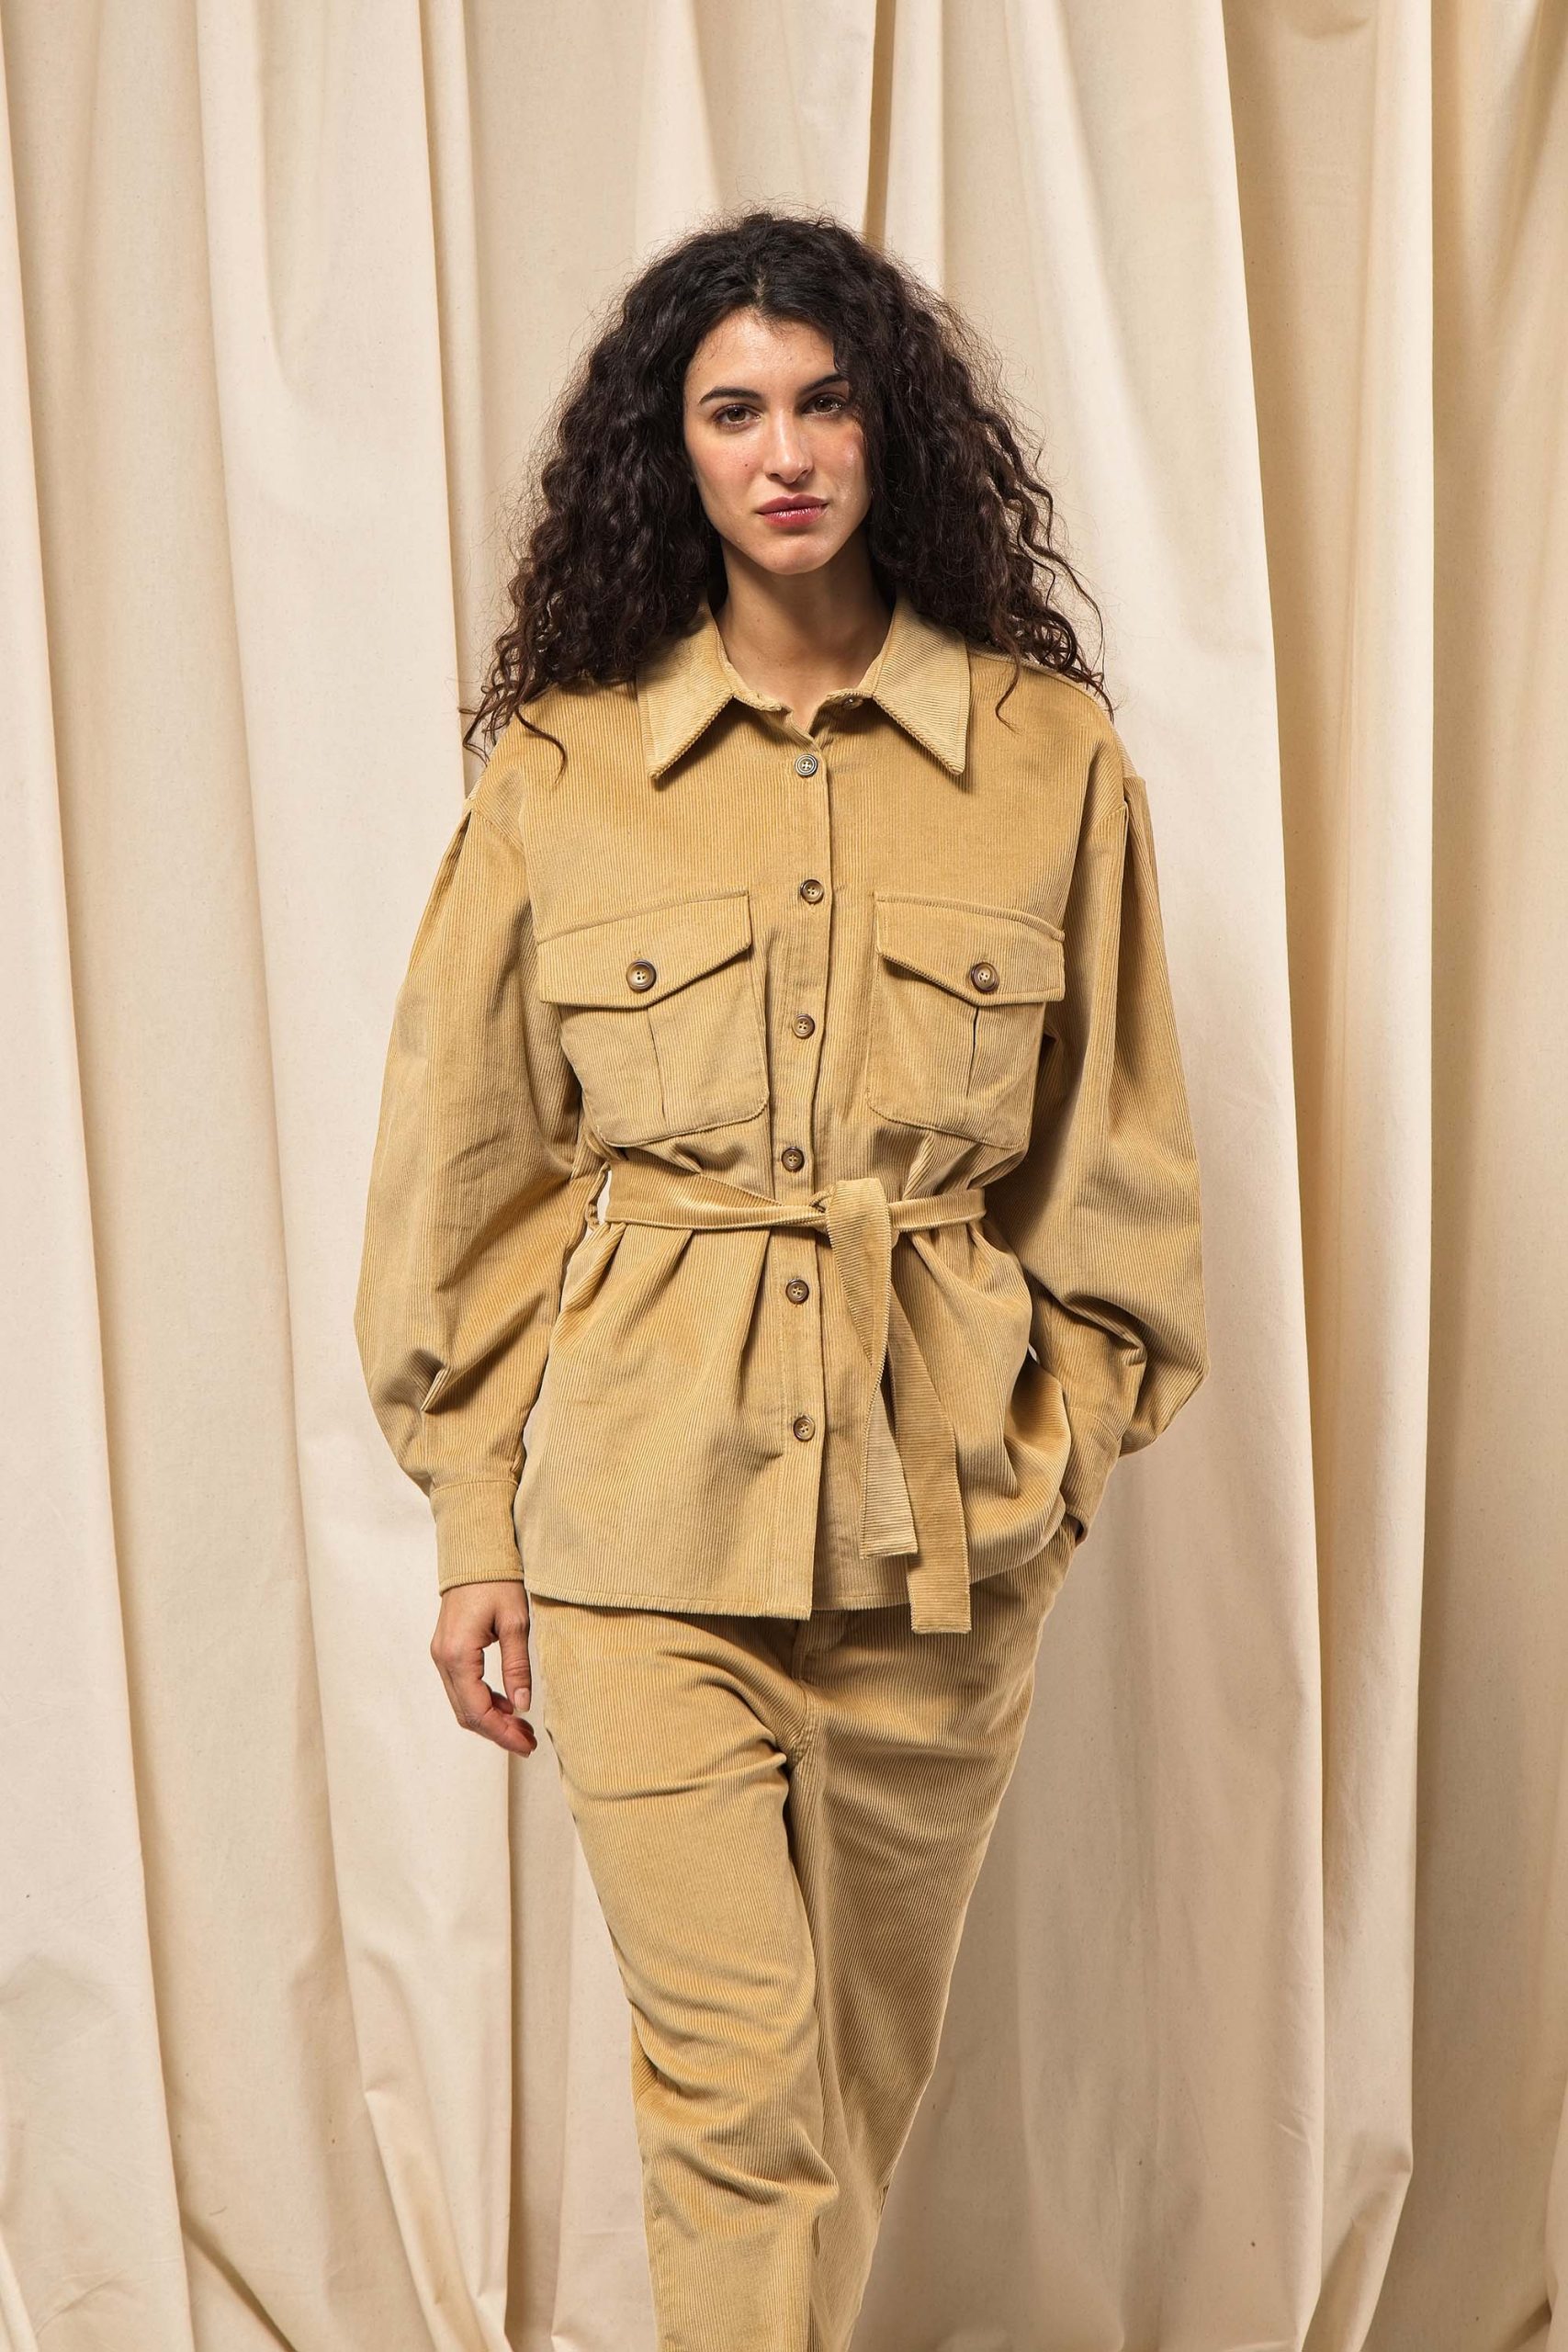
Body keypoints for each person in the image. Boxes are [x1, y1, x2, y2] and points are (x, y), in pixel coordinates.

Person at [353, 203, 1209, 2351]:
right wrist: (476, 1527)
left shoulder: (1045, 758)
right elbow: (466, 1177)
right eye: (731, 409)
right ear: (672, 451)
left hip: (942, 1543)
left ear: (886, 428)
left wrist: (1049, 1467)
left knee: (848, 2097)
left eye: (823, 401)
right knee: (739, 2096)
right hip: (638, 1528)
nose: (786, 449)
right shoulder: (563, 774)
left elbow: (1113, 1169)